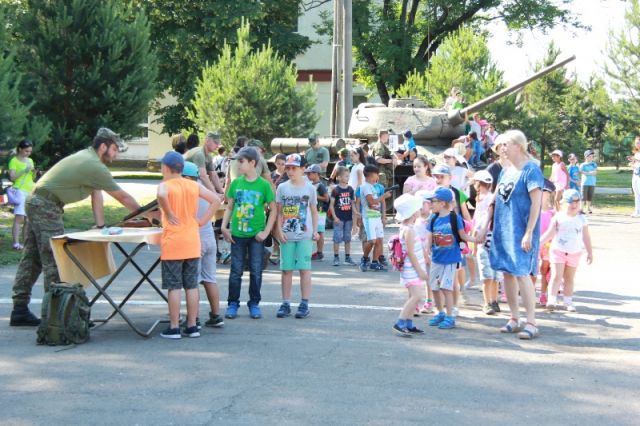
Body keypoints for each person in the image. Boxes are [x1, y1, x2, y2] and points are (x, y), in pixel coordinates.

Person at [9, 128, 143, 326]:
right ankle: (57, 318)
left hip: (37, 202)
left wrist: (100, 225)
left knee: (32, 259)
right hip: (46, 206)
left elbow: (97, 194)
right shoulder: (94, 165)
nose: (116, 155)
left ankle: (20, 310)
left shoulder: (88, 159)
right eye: (114, 149)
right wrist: (146, 215)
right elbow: (123, 197)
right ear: (103, 146)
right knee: (54, 260)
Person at [488, 129, 544, 340]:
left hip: (521, 231)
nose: (502, 148)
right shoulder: (506, 171)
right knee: (507, 274)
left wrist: (528, 232)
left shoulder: (531, 170)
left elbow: (536, 205)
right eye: (501, 145)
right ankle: (514, 318)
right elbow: (495, 201)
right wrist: (484, 226)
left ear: (518, 146)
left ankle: (531, 322)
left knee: (522, 273)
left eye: (506, 144)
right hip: (503, 231)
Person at [156, 153, 219, 339]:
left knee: (174, 286)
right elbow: (216, 200)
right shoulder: (193, 185)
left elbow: (161, 195)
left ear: (166, 168)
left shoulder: (165, 185)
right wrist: (202, 221)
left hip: (173, 242)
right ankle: (192, 326)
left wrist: (168, 212)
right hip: (192, 240)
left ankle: (174, 326)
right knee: (191, 285)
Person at [220, 146, 277, 320]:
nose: (238, 164)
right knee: (235, 271)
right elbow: (230, 206)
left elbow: (274, 210)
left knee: (256, 270)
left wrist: (266, 232)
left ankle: (254, 303)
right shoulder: (237, 183)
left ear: (252, 163)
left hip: (256, 236)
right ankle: (233, 303)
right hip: (237, 234)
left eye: (241, 161)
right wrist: (224, 227)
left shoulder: (263, 185)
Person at [425, 187, 481, 330]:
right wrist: (426, 249)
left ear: (442, 203)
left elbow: (463, 235)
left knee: (446, 287)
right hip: (436, 259)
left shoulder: (455, 218)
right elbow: (429, 236)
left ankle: (450, 316)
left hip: (451, 260)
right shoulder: (433, 218)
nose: (431, 204)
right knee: (434, 287)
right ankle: (440, 313)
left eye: (433, 201)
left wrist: (476, 239)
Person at [274, 154, 319, 319]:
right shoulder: (282, 188)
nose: (290, 171)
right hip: (287, 235)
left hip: (304, 235)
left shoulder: (310, 188)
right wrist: (279, 231)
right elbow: (279, 212)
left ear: (302, 169)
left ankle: (304, 303)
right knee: (286, 270)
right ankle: (285, 303)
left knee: (304, 269)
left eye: (294, 168)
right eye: (288, 168)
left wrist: (315, 231)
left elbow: (314, 211)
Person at [181, 161, 225, 328]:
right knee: (209, 278)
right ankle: (216, 315)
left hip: (195, 239)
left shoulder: (186, 190)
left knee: (192, 282)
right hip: (209, 238)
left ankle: (194, 318)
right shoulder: (204, 188)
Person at [540, 189, 593, 312]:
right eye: (571, 202)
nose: (574, 205)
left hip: (575, 253)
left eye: (577, 202)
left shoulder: (582, 219)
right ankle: (551, 300)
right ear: (564, 203)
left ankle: (568, 301)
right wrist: (538, 244)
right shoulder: (558, 217)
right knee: (556, 276)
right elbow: (550, 233)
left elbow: (586, 236)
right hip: (558, 251)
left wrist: (590, 252)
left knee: (569, 278)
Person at [391, 194, 428, 336]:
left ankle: (408, 323)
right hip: (411, 269)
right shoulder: (409, 230)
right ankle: (400, 322)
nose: (420, 209)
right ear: (412, 213)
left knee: (413, 296)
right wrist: (420, 271)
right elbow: (411, 253)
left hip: (413, 268)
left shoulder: (409, 228)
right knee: (416, 296)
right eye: (417, 208)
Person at [471, 170, 502, 315]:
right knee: (490, 274)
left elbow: (481, 220)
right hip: (488, 239)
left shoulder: (488, 199)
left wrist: (475, 234)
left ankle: (490, 302)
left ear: (479, 183)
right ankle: (491, 301)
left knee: (491, 275)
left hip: (486, 238)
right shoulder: (481, 198)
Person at [8, 139, 36, 250]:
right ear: (20, 149)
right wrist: (24, 170)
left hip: (30, 191)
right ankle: (16, 243)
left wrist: (34, 172)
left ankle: (25, 243)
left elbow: (32, 177)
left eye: (30, 151)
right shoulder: (14, 161)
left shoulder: (30, 160)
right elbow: (12, 177)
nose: (28, 153)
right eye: (26, 151)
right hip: (20, 191)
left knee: (28, 219)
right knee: (19, 218)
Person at [358, 165, 387, 272]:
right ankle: (364, 258)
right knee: (372, 241)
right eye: (376, 174)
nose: (377, 176)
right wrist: (383, 197)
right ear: (371, 175)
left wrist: (382, 216)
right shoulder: (365, 187)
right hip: (369, 218)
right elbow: (371, 201)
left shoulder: (373, 186)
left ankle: (374, 262)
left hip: (377, 216)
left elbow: (376, 202)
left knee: (379, 240)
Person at [329, 166, 357, 266]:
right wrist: (335, 217)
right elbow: (331, 205)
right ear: (339, 177)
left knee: (347, 238)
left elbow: (352, 203)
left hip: (348, 218)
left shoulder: (350, 189)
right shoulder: (336, 190)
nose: (348, 178)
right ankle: (336, 257)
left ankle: (347, 257)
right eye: (346, 176)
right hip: (339, 218)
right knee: (337, 238)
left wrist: (355, 212)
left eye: (348, 176)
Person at [414, 190, 435, 315]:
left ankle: (429, 301)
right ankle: (415, 303)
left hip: (430, 253)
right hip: (418, 253)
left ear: (430, 204)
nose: (420, 207)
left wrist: (428, 255)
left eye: (423, 204)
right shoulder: (415, 220)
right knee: (415, 279)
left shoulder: (433, 219)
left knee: (429, 279)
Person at [184, 131, 224, 196]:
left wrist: (222, 193)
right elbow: (203, 177)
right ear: (207, 141)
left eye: (218, 144)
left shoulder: (208, 156)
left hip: (188, 182)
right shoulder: (199, 154)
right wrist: (215, 194)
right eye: (215, 142)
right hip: (181, 184)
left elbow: (214, 176)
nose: (217, 146)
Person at [305, 164, 329, 260]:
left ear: (316, 174)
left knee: (320, 231)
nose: (307, 175)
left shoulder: (320, 185)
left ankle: (320, 252)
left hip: (320, 211)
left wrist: (314, 196)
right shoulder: (310, 184)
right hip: (312, 211)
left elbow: (326, 198)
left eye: (309, 173)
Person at [580, 149, 598, 214]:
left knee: (590, 196)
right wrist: (590, 172)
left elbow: (595, 172)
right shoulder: (583, 164)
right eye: (589, 156)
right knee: (583, 196)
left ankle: (588, 208)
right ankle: (581, 209)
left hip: (592, 183)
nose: (591, 158)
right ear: (586, 157)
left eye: (592, 156)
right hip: (585, 183)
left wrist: (587, 173)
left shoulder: (594, 164)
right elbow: (581, 172)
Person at [630, 152, 640, 218]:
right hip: (635, 175)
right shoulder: (636, 154)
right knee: (636, 194)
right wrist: (632, 162)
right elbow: (635, 164)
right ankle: (637, 211)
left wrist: (636, 159)